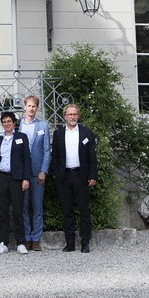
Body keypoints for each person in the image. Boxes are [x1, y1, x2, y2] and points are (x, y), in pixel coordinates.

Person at [51, 104, 97, 253]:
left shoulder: (86, 133)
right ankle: (70, 243)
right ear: (65, 116)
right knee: (67, 211)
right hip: (64, 177)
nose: (72, 117)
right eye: (69, 114)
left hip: (81, 176)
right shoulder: (58, 134)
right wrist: (57, 174)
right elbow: (55, 157)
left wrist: (92, 176)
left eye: (75, 114)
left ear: (78, 116)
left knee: (84, 210)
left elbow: (92, 156)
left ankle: (85, 243)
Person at [0, 112, 31, 255]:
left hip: (17, 179)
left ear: (14, 123)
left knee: (18, 211)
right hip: (1, 178)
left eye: (9, 121)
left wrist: (26, 178)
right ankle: (3, 243)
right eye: (4, 121)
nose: (7, 123)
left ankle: (20, 243)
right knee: (3, 212)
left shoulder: (21, 138)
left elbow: (27, 159)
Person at [19, 96, 51, 252]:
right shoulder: (18, 125)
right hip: (22, 174)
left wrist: (43, 171)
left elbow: (46, 150)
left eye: (34, 106)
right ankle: (27, 238)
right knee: (23, 207)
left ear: (37, 108)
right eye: (29, 106)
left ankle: (36, 239)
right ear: (24, 107)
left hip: (38, 173)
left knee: (37, 207)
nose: (31, 109)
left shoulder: (43, 125)